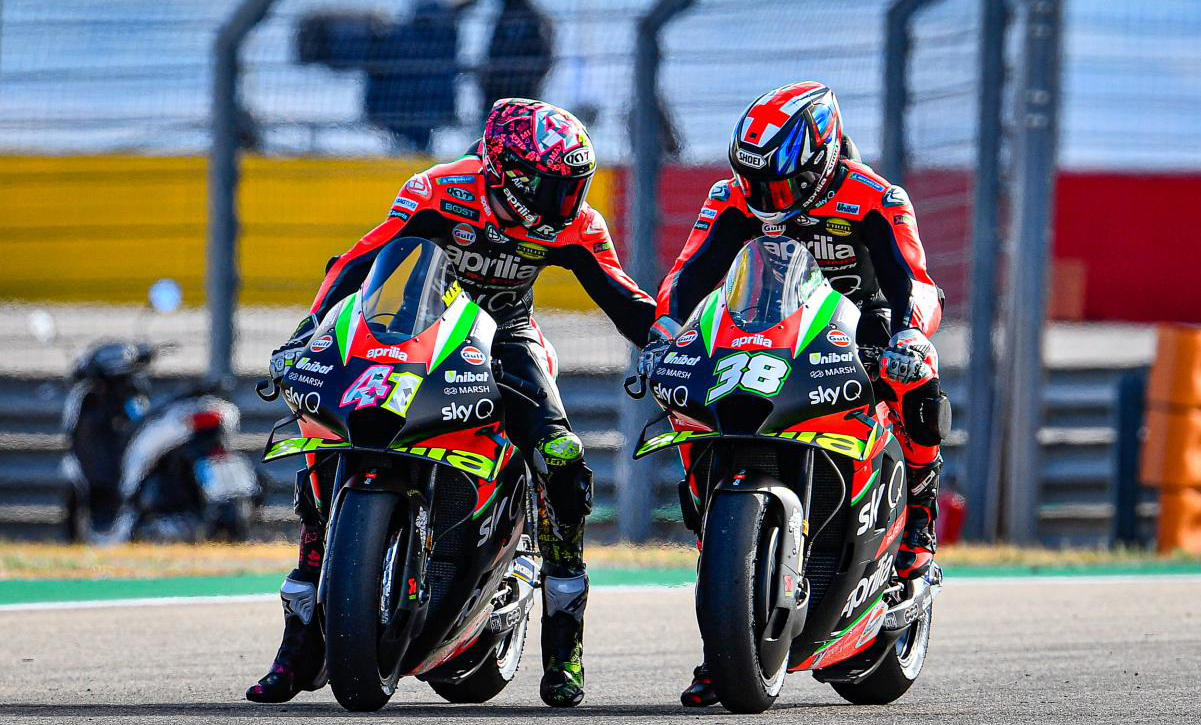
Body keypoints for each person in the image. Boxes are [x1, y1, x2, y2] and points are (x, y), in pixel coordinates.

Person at [246, 98, 656, 708]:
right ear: (507, 174)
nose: (566, 202)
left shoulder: (577, 225)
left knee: (562, 458)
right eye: (553, 187)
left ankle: (564, 642)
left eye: (575, 186)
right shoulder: (439, 189)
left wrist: (672, 346)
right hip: (414, 332)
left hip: (506, 336)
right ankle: (298, 643)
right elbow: (360, 261)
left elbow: (625, 302)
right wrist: (307, 330)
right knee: (324, 437)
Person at [642, 81, 950, 707]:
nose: (767, 201)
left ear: (825, 159)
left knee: (918, 377)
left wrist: (909, 334)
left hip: (856, 328)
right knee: (683, 400)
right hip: (759, 331)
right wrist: (664, 331)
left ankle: (918, 533)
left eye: (781, 188)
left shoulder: (875, 197)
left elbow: (913, 280)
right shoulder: (732, 196)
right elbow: (689, 274)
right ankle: (726, 634)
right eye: (755, 184)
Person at [480, 0, 554, 120]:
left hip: (521, 91)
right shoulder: (501, 15)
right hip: (497, 91)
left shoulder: (532, 19)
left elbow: (543, 57)